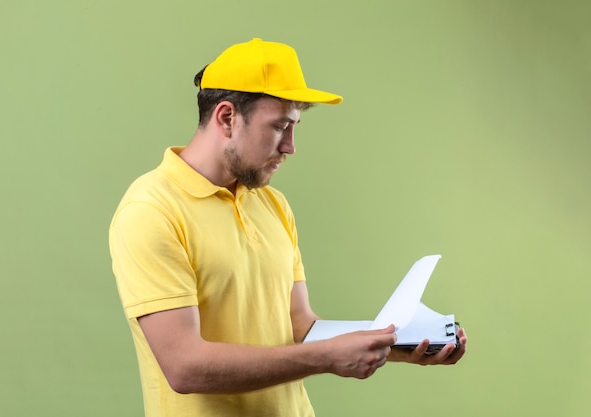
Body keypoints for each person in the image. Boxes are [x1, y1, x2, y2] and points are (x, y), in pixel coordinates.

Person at [109, 38, 468, 417]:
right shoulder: (151, 210)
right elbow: (184, 366)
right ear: (227, 117)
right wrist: (324, 358)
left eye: (294, 127)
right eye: (280, 127)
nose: (291, 147)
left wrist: (400, 344)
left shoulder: (273, 204)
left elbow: (302, 327)